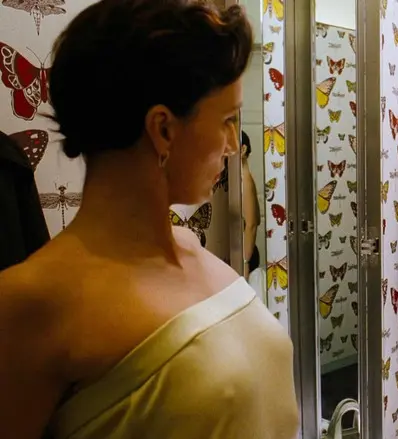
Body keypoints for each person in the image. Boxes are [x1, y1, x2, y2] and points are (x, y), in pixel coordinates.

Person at [0, 1, 299, 438]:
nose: (233, 145)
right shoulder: (32, 301)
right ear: (163, 129)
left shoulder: (191, 248)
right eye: (227, 121)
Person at [240, 131, 261, 277]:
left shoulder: (244, 179)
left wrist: (245, 262)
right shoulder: (242, 178)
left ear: (243, 149)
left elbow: (252, 224)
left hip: (245, 255)